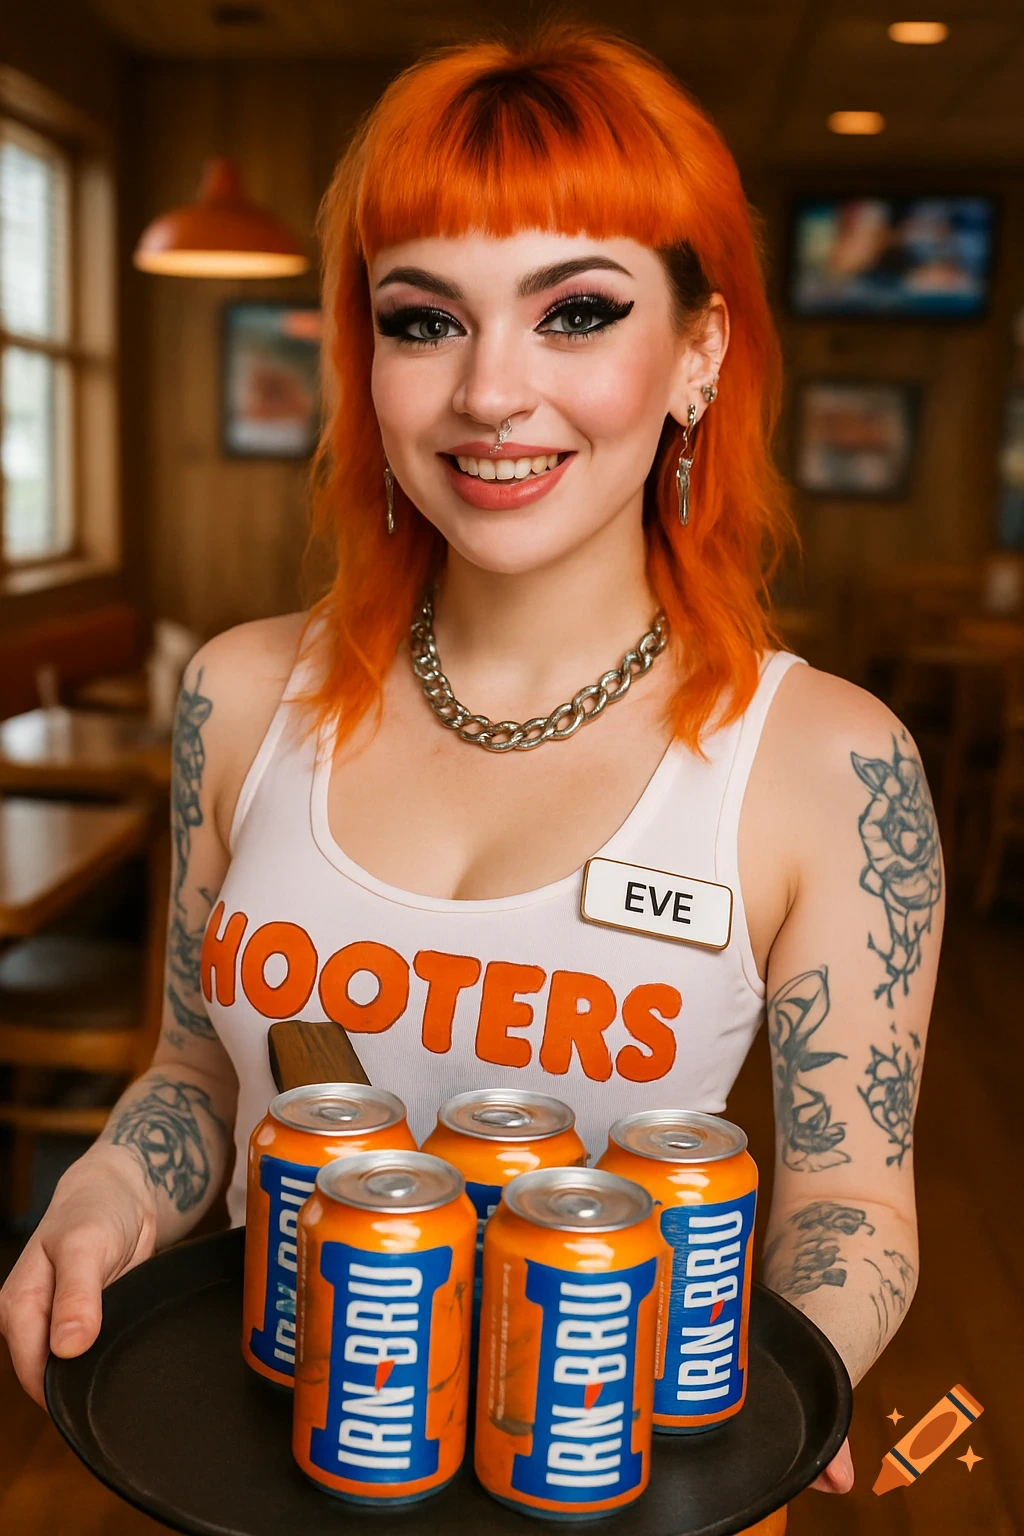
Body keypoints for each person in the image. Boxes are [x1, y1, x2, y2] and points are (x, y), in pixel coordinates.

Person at [0, 26, 942, 1503]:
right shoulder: (238, 696)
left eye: (577, 312)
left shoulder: (831, 762)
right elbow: (193, 1074)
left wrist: (785, 1382)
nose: (492, 392)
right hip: (258, 1463)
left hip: (606, 1485)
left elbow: (852, 1201)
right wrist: (108, 1190)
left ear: (699, 351)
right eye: (426, 319)